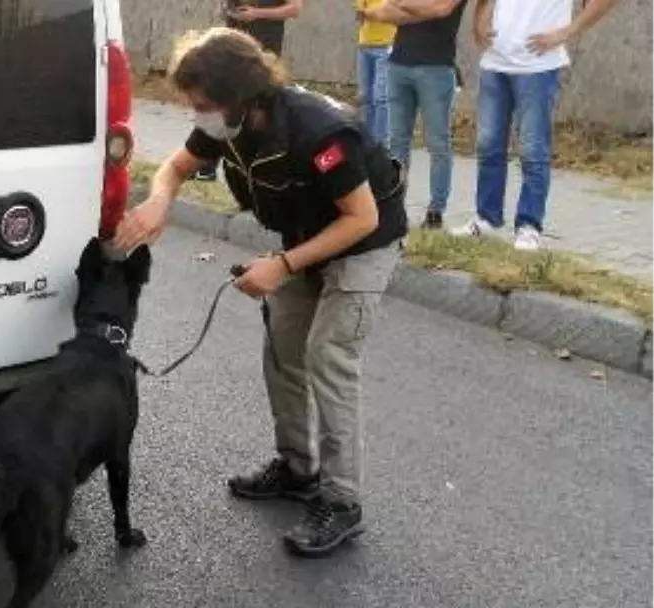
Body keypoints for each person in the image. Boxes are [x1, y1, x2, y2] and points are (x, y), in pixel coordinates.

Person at [113, 27, 409, 558]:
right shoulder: (230, 125)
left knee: (328, 355)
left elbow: (361, 218)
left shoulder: (320, 133)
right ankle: (298, 470)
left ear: (240, 97)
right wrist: (160, 199)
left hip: (364, 242)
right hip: (304, 238)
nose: (196, 113)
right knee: (283, 352)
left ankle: (343, 501)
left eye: (202, 104)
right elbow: (177, 167)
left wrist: (283, 266)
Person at [451, 0, 622, 250]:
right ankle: (486, 218)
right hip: (495, 62)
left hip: (537, 66)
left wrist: (567, 32)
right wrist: (478, 23)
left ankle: (529, 226)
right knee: (488, 146)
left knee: (532, 149)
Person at [362, 0, 468, 230]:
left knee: (438, 142)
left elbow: (441, 9)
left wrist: (402, 5)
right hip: (398, 64)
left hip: (437, 68)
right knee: (397, 141)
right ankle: (395, 205)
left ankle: (435, 210)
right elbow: (381, 12)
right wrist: (419, 9)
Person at [196, 0, 304, 182]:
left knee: (259, 112)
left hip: (262, 53)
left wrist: (256, 13)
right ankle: (206, 164)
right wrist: (227, 10)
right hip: (232, 46)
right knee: (221, 102)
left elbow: (294, 9)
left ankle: (264, 172)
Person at [355, 0, 397, 143]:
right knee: (365, 96)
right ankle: (365, 141)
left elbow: (390, 12)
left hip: (387, 45)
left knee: (380, 97)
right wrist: (375, 12)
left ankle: (380, 143)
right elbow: (360, 15)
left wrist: (371, 12)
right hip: (365, 44)